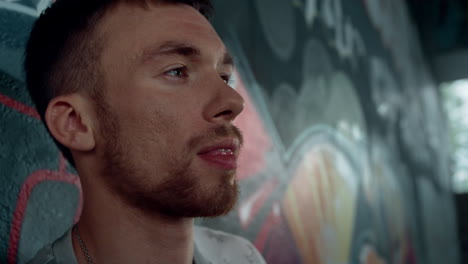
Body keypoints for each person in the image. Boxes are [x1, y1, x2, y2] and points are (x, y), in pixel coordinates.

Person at [24, 0, 265, 263]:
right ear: (75, 123)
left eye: (223, 76)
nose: (234, 102)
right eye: (177, 71)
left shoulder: (241, 257)